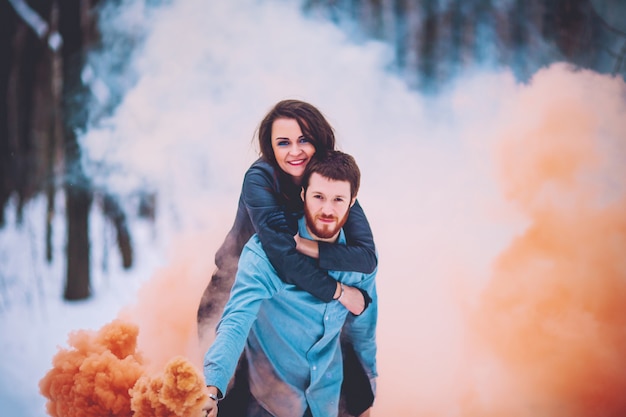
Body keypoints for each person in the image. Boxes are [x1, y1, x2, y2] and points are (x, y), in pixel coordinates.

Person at [196, 100, 377, 415]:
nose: (295, 151)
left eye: (304, 139)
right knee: (237, 387)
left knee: (352, 383)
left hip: (305, 293)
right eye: (284, 142)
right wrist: (340, 293)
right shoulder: (260, 180)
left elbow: (366, 258)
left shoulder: (334, 184)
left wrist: (368, 378)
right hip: (241, 282)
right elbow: (280, 254)